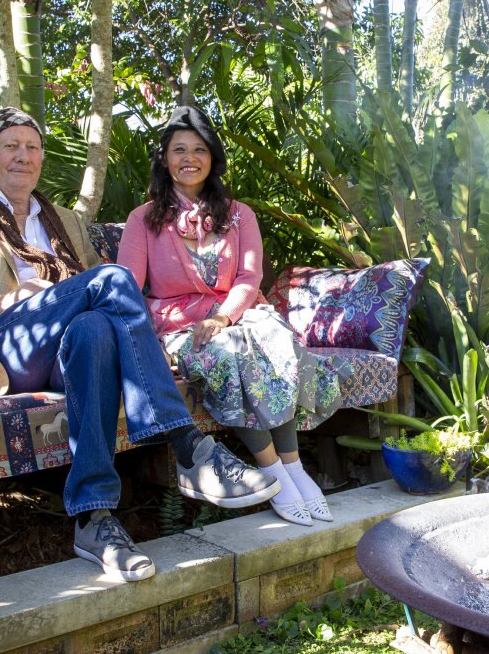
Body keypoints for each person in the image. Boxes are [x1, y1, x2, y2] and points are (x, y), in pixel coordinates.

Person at [0, 107, 280, 583]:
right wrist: (0, 302)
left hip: (65, 348)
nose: (24, 156)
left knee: (94, 332)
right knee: (112, 278)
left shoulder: (65, 220)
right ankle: (185, 443)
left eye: (33, 147)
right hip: (3, 345)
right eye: (11, 146)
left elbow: (103, 302)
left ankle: (94, 519)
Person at [118, 105, 340, 527]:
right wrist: (144, 340)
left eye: (199, 149)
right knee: (228, 355)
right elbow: (127, 285)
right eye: (178, 149)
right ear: (164, 158)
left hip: (236, 313)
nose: (189, 158)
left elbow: (249, 274)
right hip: (180, 322)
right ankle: (271, 467)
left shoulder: (239, 216)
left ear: (212, 157)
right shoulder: (142, 220)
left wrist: (223, 317)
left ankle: (293, 466)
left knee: (275, 341)